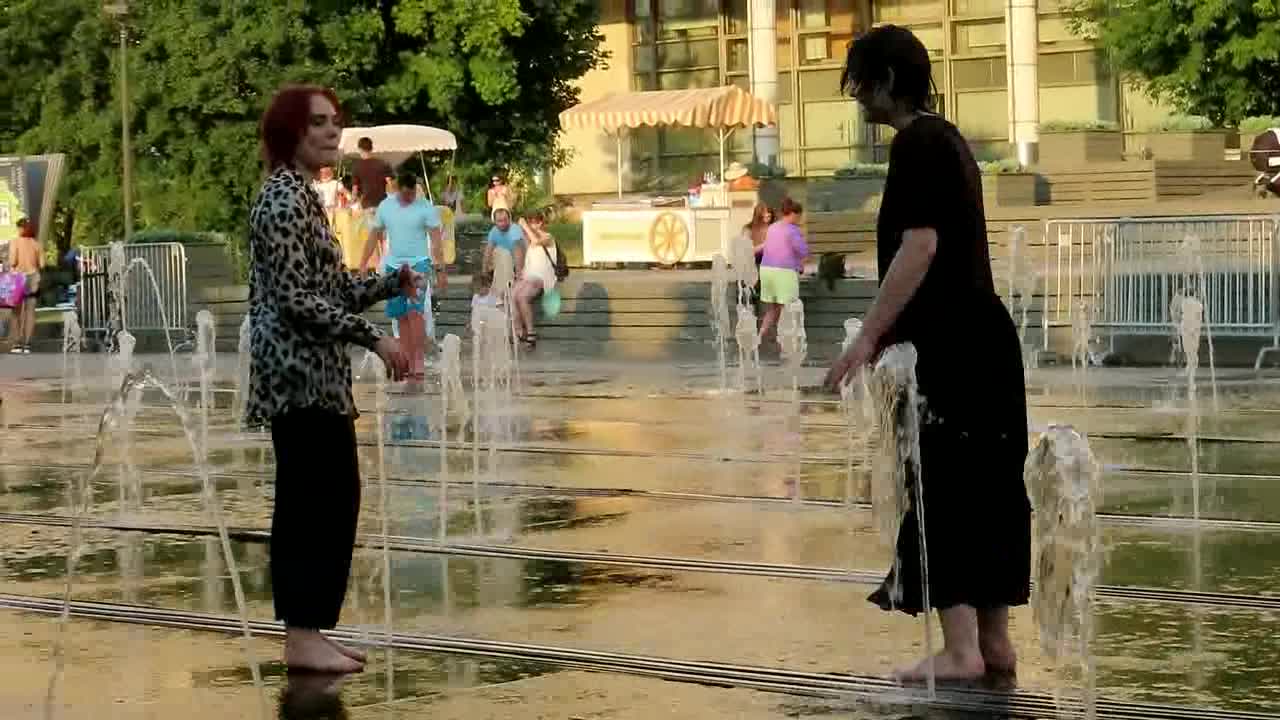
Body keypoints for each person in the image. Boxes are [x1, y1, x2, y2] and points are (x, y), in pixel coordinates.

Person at [823, 25, 1030, 684]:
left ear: (887, 80)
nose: (857, 97)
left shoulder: (915, 143)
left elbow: (921, 246)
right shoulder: (950, 140)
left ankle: (961, 649)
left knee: (941, 483)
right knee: (988, 486)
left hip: (948, 344)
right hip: (986, 338)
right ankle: (994, 642)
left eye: (860, 82)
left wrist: (868, 336)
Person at [246, 83, 419, 674]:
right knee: (311, 503)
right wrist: (376, 338)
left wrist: (390, 281)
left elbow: (330, 288)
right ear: (291, 131)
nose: (331, 131)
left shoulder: (302, 195)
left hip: (316, 373)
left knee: (330, 498)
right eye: (318, 122)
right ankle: (301, 635)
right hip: (296, 375)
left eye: (334, 121)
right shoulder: (282, 200)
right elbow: (296, 299)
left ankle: (311, 630)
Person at [360, 171, 446, 379]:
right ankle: (407, 359)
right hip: (394, 267)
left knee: (415, 313)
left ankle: (418, 360)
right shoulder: (386, 206)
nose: (410, 198)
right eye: (406, 194)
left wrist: (441, 269)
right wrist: (363, 263)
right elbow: (373, 236)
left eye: (412, 194)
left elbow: (436, 240)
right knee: (401, 316)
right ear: (398, 189)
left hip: (419, 264)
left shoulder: (425, 207)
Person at [756, 198, 809, 344]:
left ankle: (759, 336)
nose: (799, 219)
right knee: (789, 307)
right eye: (799, 216)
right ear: (793, 214)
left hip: (766, 270)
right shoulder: (793, 230)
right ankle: (787, 341)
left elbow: (770, 247)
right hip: (783, 272)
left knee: (774, 308)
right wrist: (800, 266)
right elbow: (803, 251)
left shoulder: (773, 227)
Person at [511, 211, 558, 349]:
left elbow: (537, 242)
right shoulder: (529, 239)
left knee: (522, 297)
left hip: (541, 278)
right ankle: (518, 331)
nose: (532, 225)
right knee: (512, 295)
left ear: (541, 223)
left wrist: (525, 226)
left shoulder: (548, 237)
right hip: (528, 277)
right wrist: (520, 272)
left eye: (535, 222)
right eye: (530, 222)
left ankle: (531, 332)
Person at [7, 219, 41, 354]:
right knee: (30, 311)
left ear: (21, 229)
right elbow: (42, 263)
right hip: (33, 278)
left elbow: (12, 261)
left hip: (18, 278)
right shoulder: (36, 244)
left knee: (16, 312)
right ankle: (27, 344)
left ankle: (17, 343)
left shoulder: (15, 242)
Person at [484, 208, 525, 282]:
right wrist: (484, 271)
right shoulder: (494, 231)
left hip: (518, 262)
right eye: (499, 221)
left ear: (509, 219)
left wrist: (519, 275)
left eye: (505, 220)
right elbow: (488, 251)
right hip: (504, 262)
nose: (503, 223)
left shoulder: (514, 230)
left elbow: (518, 254)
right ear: (495, 222)